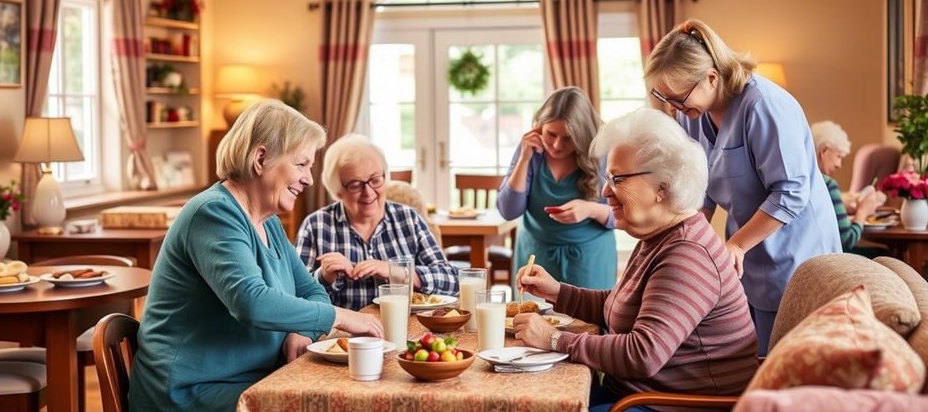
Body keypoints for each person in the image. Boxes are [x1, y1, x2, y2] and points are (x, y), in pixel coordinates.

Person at [129, 100, 383, 412]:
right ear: (261, 159)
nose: (309, 179)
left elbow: (311, 290)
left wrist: (301, 328)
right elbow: (250, 302)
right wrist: (342, 316)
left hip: (257, 378)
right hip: (192, 392)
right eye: (301, 164)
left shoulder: (269, 223)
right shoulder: (214, 213)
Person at [513, 108, 759, 412]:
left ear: (662, 188)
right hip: (640, 395)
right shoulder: (660, 235)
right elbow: (620, 306)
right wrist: (557, 292)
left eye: (618, 179)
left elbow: (643, 353)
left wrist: (553, 339)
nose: (605, 191)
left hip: (672, 405)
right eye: (607, 178)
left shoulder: (687, 254)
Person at [644, 18, 841, 355]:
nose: (676, 109)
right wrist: (683, 243)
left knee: (783, 366)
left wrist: (733, 247)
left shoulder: (763, 105)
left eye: (680, 98)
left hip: (798, 253)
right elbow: (700, 190)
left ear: (711, 77)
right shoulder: (693, 115)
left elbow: (790, 192)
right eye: (668, 100)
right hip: (751, 257)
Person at [296, 134, 458, 310]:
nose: (369, 192)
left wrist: (396, 272)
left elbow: (452, 281)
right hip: (346, 335)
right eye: (356, 184)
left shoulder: (408, 219)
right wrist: (325, 277)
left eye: (375, 180)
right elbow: (294, 296)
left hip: (407, 330)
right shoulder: (316, 226)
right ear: (338, 191)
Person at [497, 86, 616, 290]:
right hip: (535, 256)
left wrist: (589, 209)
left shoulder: (604, 151)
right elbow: (508, 211)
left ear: (583, 135)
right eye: (551, 134)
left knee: (588, 321)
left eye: (569, 138)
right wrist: (525, 159)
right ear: (539, 127)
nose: (557, 145)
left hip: (590, 260)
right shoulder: (531, 150)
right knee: (529, 318)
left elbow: (626, 215)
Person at [810, 120, 885, 258]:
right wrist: (863, 211)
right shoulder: (828, 184)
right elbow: (849, 239)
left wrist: (842, 207)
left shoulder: (804, 181)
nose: (839, 165)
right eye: (838, 156)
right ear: (824, 150)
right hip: (830, 257)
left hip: (809, 255)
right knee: (884, 254)